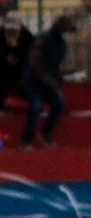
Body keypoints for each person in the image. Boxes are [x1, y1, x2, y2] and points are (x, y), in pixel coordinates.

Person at [22, 16, 72, 149]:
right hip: (34, 82)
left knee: (60, 103)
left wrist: (56, 78)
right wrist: (48, 79)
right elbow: (35, 62)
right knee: (36, 107)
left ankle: (46, 132)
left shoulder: (61, 43)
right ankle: (27, 139)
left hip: (49, 80)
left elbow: (56, 65)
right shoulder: (43, 39)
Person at [0, 14, 30, 116]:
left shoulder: (27, 37)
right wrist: (5, 58)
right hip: (2, 68)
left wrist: (16, 50)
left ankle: (28, 104)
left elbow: (29, 55)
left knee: (30, 76)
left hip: (21, 68)